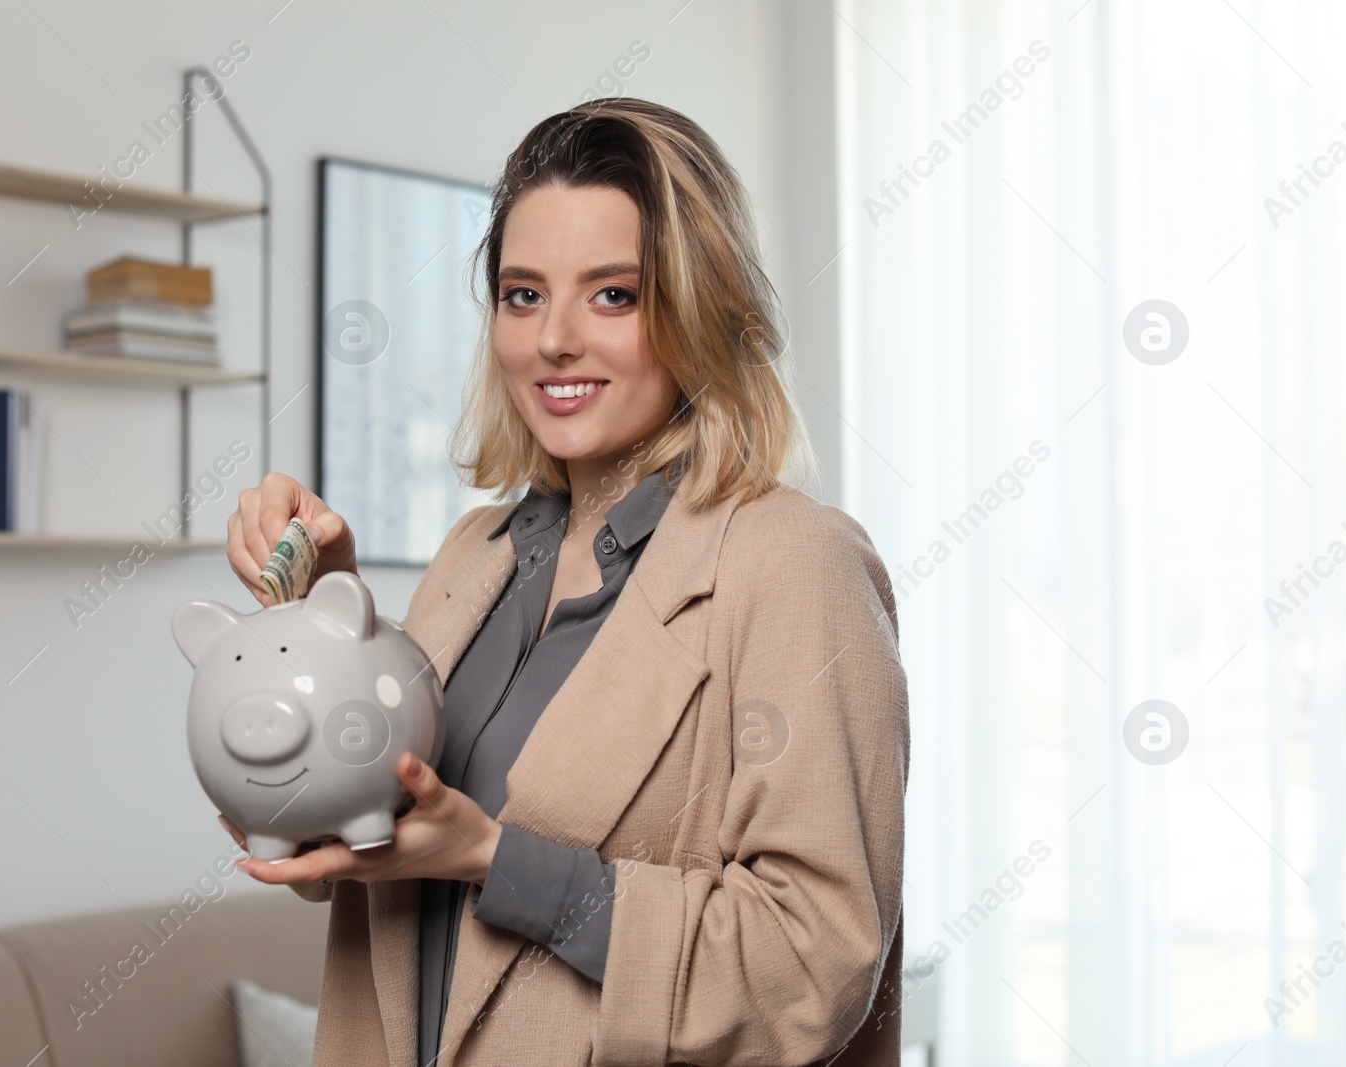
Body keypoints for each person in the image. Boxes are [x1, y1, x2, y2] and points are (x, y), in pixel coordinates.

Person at [221, 97, 909, 1067]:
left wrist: (496, 860)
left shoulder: (796, 565)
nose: (553, 340)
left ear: (701, 310)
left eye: (613, 294)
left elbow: (809, 970)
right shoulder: (476, 553)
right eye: (522, 293)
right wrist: (325, 638)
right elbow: (365, 842)